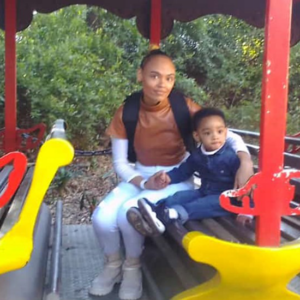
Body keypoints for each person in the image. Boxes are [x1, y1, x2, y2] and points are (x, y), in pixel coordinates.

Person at [89, 49, 254, 300]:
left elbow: (223, 133)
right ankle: (113, 265)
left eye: (169, 78)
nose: (162, 84)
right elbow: (121, 163)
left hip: (177, 177)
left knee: (128, 213)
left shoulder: (182, 106)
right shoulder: (127, 112)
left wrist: (244, 159)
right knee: (101, 217)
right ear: (140, 76)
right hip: (140, 175)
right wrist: (144, 182)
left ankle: (132, 267)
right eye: (155, 76)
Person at [127, 108, 253, 236]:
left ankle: (172, 214)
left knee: (202, 204)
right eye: (208, 133)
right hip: (203, 191)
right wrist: (168, 177)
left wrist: (247, 211)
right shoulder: (197, 155)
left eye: (219, 131)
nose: (215, 136)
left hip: (227, 199)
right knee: (180, 196)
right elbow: (183, 171)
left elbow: (249, 187)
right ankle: (152, 210)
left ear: (226, 133)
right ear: (197, 136)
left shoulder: (231, 157)